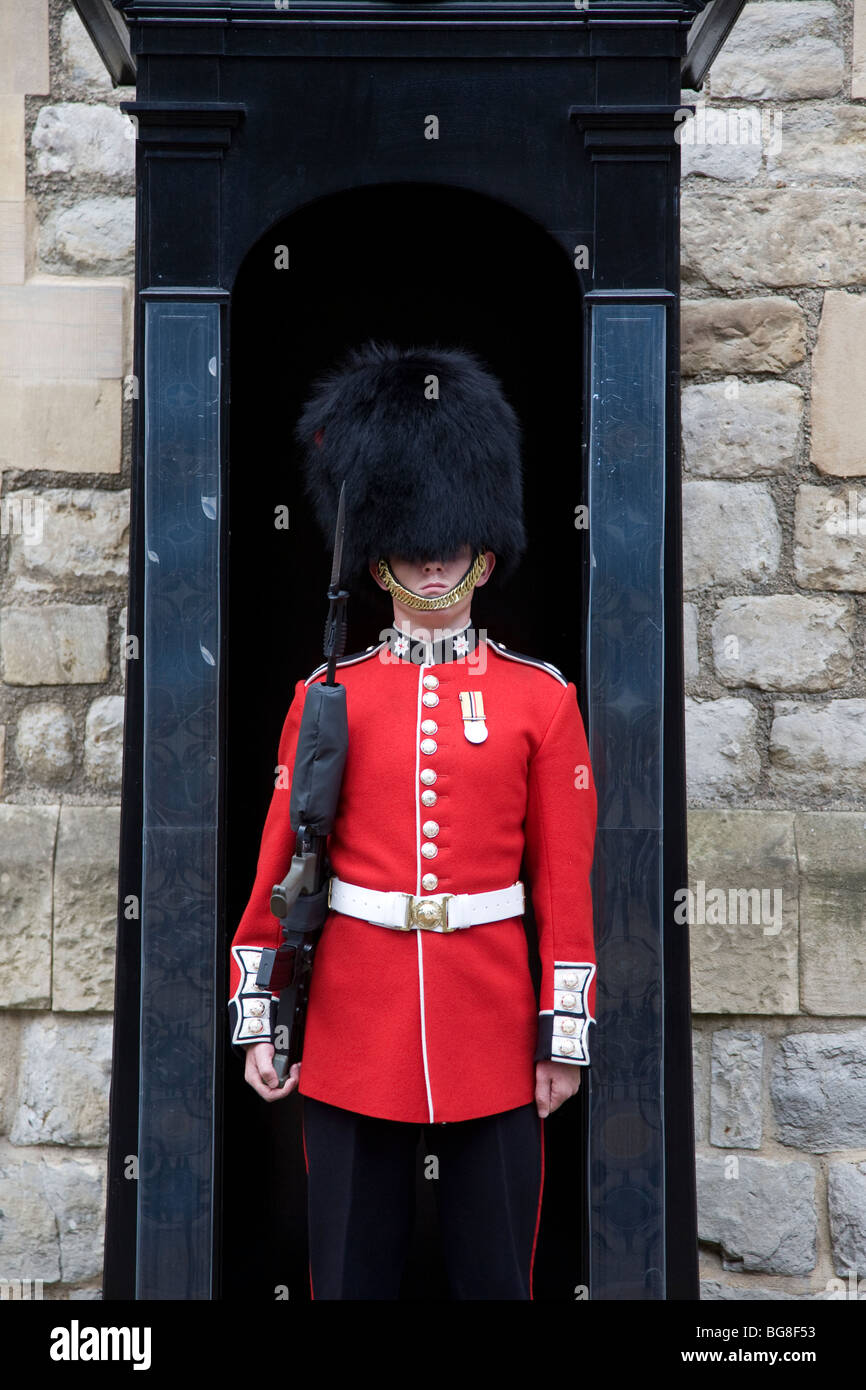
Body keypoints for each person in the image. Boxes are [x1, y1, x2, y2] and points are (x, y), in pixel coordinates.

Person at [228, 341, 597, 1299]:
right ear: (378, 555)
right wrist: (261, 1015)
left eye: (452, 546)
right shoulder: (327, 696)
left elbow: (562, 886)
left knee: (494, 1276)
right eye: (411, 546)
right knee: (349, 1274)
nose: (434, 563)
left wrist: (562, 1033)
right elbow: (283, 869)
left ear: (485, 549)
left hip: (491, 1024)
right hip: (358, 1022)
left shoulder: (540, 702)